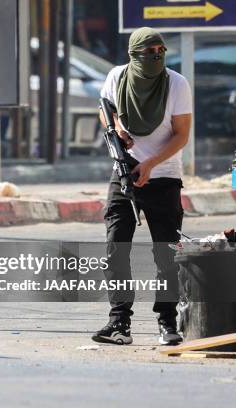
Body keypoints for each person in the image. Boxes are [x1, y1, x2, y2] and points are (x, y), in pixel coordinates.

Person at [92, 27, 192, 346]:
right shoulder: (117, 77)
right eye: (149, 52)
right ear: (134, 55)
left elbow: (181, 134)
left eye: (160, 52)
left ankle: (167, 322)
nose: (155, 58)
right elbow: (105, 108)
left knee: (166, 253)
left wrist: (150, 164)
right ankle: (119, 322)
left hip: (163, 175)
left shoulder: (176, 84)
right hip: (123, 172)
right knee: (115, 248)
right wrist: (119, 129)